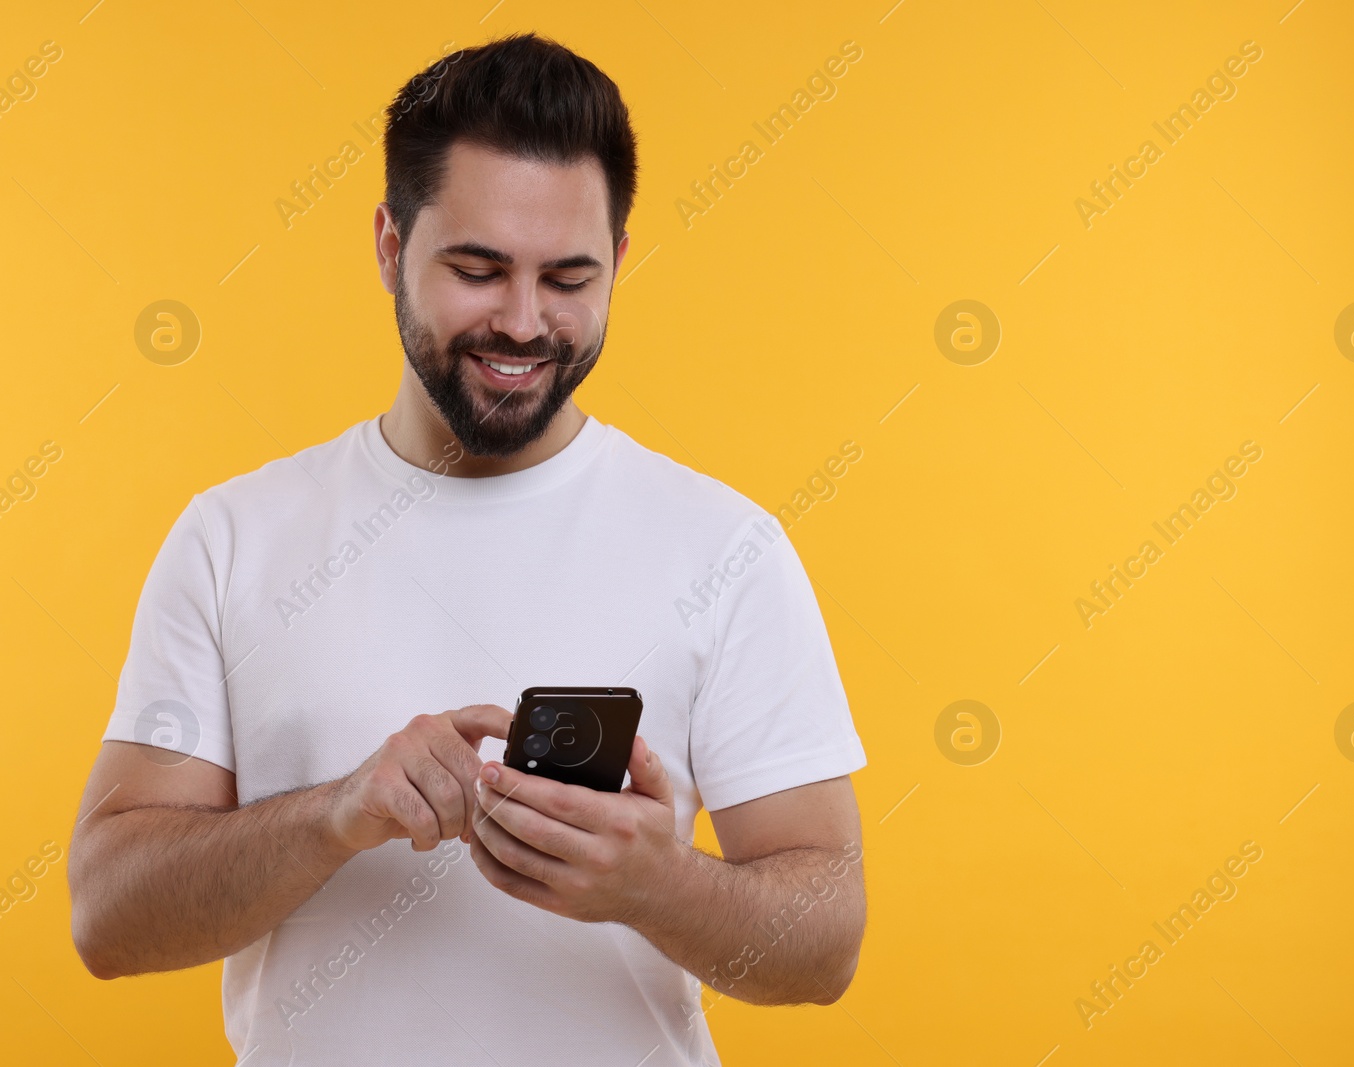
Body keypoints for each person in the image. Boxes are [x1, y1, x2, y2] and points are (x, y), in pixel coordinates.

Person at [67, 32, 867, 1066]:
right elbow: (109, 919)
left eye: (568, 277)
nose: (525, 322)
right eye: (479, 269)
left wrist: (657, 883)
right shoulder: (232, 539)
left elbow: (827, 943)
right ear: (391, 247)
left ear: (619, 261)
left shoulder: (727, 548)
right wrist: (335, 815)